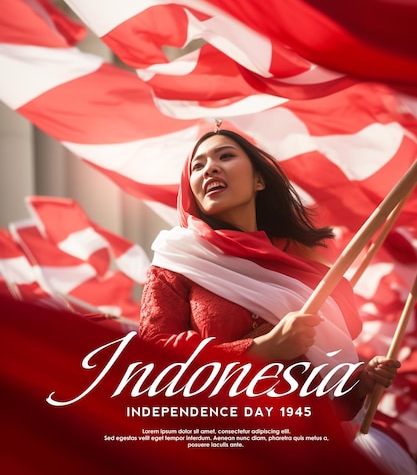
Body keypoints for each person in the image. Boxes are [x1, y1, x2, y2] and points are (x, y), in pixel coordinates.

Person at [139, 127, 413, 473]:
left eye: (225, 156)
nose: (208, 169)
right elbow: (152, 362)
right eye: (197, 165)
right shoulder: (176, 262)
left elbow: (324, 396)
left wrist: (359, 383)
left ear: (259, 181)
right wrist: (262, 348)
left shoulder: (311, 276)